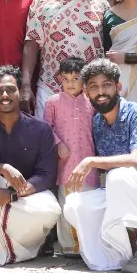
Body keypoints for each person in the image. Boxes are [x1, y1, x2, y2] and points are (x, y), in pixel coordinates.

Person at [62, 59, 137, 273]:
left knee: (119, 176)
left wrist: (90, 161)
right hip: (125, 192)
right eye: (93, 87)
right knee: (75, 203)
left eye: (106, 85)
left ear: (119, 87)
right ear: (87, 94)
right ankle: (115, 256)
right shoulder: (98, 123)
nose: (101, 92)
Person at [0, 65, 62, 265]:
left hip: (26, 195)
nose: (5, 95)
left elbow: (47, 175)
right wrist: (2, 168)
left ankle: (13, 246)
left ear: (20, 92)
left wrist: (12, 194)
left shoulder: (40, 129)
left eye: (10, 89)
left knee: (51, 210)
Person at [22, 0, 110, 115]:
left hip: (91, 91)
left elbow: (108, 46)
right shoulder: (42, 2)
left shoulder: (100, 4)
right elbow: (31, 43)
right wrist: (25, 86)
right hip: (50, 87)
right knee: (48, 141)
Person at [39, 57, 93, 256]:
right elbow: (46, 128)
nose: (71, 83)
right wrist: (58, 143)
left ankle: (88, 243)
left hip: (88, 163)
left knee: (88, 201)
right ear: (60, 79)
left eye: (76, 78)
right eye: (66, 78)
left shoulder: (91, 102)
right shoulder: (53, 102)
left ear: (84, 79)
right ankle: (68, 245)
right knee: (66, 202)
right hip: (65, 163)